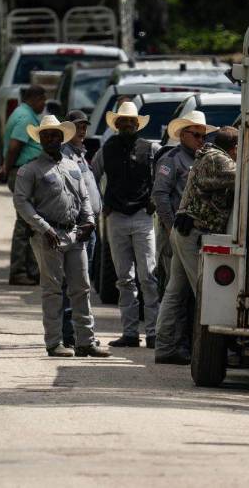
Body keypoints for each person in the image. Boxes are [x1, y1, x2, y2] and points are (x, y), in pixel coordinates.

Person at [13, 115, 111, 358]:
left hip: (74, 233)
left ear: (61, 137)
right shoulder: (30, 170)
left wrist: (88, 220)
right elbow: (21, 201)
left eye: (55, 135)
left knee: (82, 288)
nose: (50, 139)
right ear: (40, 139)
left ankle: (86, 341)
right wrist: (43, 227)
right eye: (45, 135)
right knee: (53, 290)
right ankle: (54, 342)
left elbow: (84, 196)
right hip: (48, 237)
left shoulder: (72, 165)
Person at [155, 126, 238, 364]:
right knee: (204, 293)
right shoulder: (217, 159)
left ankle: (166, 346)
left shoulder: (209, 156)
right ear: (233, 147)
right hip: (194, 232)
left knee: (175, 292)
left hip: (188, 231)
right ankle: (216, 350)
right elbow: (245, 175)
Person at [152, 111, 218, 355]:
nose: (202, 139)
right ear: (182, 135)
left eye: (204, 135)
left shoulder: (203, 158)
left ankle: (173, 344)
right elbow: (160, 195)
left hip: (192, 231)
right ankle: (175, 343)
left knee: (177, 290)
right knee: (181, 289)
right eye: (196, 134)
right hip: (177, 231)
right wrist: (170, 229)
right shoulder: (171, 160)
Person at [99, 100, 161, 348]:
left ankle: (155, 333)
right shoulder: (106, 149)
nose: (126, 125)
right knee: (124, 278)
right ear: (116, 124)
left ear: (137, 125)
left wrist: (155, 199)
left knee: (148, 276)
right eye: (122, 121)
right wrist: (99, 204)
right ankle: (130, 333)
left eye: (130, 122)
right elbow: (91, 177)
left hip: (142, 217)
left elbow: (162, 177)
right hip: (116, 218)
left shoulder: (152, 149)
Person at [0, 85, 46, 286]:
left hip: (24, 172)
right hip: (24, 174)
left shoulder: (23, 113)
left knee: (30, 223)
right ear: (34, 98)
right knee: (26, 223)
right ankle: (19, 271)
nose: (44, 104)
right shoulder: (25, 117)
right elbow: (15, 145)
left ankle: (31, 271)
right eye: (43, 100)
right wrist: (6, 167)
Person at [59, 109, 101, 347]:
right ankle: (70, 334)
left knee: (82, 284)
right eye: (78, 126)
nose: (83, 130)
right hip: (77, 227)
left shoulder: (81, 155)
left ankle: (79, 334)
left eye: (85, 126)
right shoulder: (65, 156)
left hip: (90, 226)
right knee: (72, 283)